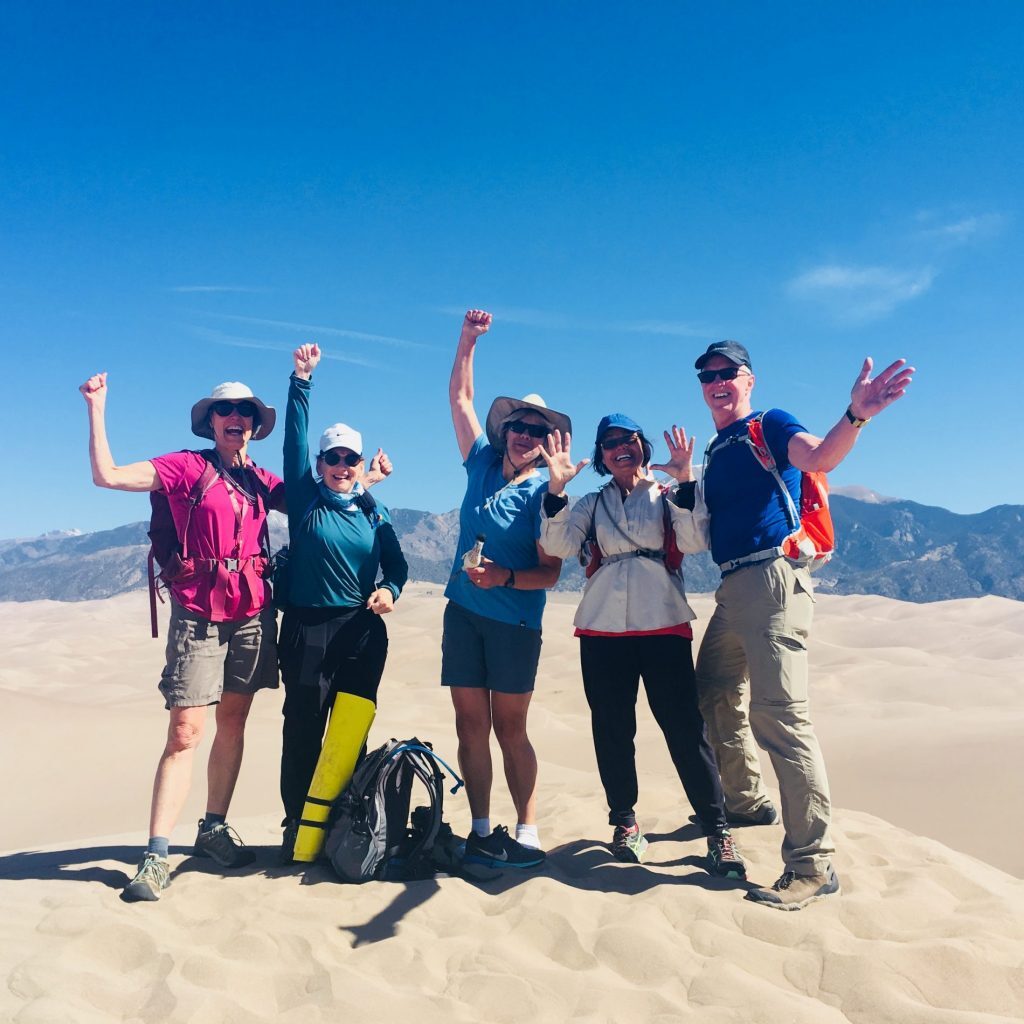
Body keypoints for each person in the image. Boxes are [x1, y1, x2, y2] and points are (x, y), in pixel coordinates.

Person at [692, 340, 915, 910]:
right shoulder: (718, 449)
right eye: (706, 374)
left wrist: (856, 414)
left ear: (749, 379)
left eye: (727, 372)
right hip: (732, 587)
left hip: (772, 579)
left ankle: (813, 864)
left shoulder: (769, 423)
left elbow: (818, 457)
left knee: (781, 717)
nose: (716, 381)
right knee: (714, 687)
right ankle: (745, 802)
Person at [79, 372, 285, 902]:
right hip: (199, 612)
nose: (236, 418)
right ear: (211, 422)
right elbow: (108, 476)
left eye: (246, 412)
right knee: (185, 731)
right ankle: (155, 854)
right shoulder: (184, 467)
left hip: (254, 610)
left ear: (256, 426)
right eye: (226, 412)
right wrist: (96, 407)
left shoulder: (262, 479)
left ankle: (213, 827)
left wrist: (365, 481)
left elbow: (319, 500)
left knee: (234, 720)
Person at [537, 416, 744, 876]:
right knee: (612, 729)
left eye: (627, 441)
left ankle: (717, 830)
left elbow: (695, 539)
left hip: (662, 623)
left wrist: (688, 479)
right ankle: (625, 823)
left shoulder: (667, 496)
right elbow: (558, 543)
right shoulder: (590, 504)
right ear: (602, 456)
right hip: (601, 629)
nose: (618, 449)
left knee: (685, 730)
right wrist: (555, 489)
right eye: (609, 444)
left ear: (641, 446)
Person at [444, 309, 567, 869]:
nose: (524, 435)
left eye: (536, 431)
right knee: (469, 722)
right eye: (518, 426)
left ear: (547, 443)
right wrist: (468, 341)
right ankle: (480, 826)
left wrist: (504, 577)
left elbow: (552, 574)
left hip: (515, 622)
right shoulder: (482, 462)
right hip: (462, 613)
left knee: (509, 728)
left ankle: (528, 830)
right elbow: (461, 399)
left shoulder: (549, 492)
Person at [276, 343, 408, 862]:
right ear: (320, 464)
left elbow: (397, 568)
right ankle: (296, 823)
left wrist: (388, 591)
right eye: (332, 458)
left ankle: (343, 824)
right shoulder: (305, 501)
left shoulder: (375, 512)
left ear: (358, 464)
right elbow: (293, 441)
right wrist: (301, 382)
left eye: (349, 459)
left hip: (362, 633)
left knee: (350, 732)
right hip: (308, 631)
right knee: (304, 729)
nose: (341, 466)